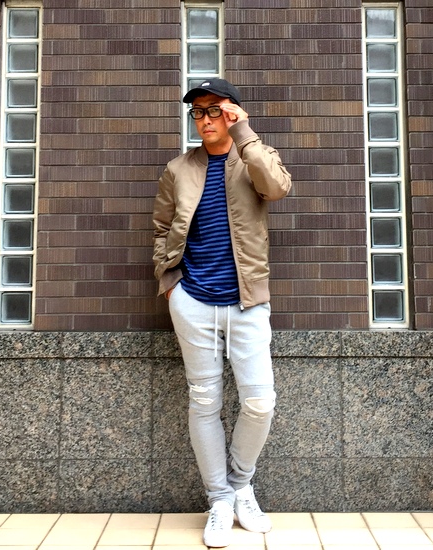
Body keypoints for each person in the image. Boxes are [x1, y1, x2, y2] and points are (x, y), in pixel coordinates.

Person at [152, 78, 291, 548]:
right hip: (192, 301)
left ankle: (240, 486)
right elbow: (161, 228)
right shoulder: (178, 169)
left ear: (232, 112)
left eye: (215, 110)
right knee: (204, 402)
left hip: (247, 303)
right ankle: (218, 501)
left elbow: (277, 187)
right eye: (198, 112)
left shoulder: (254, 156)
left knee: (260, 401)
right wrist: (169, 283)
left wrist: (245, 133)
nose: (206, 119)